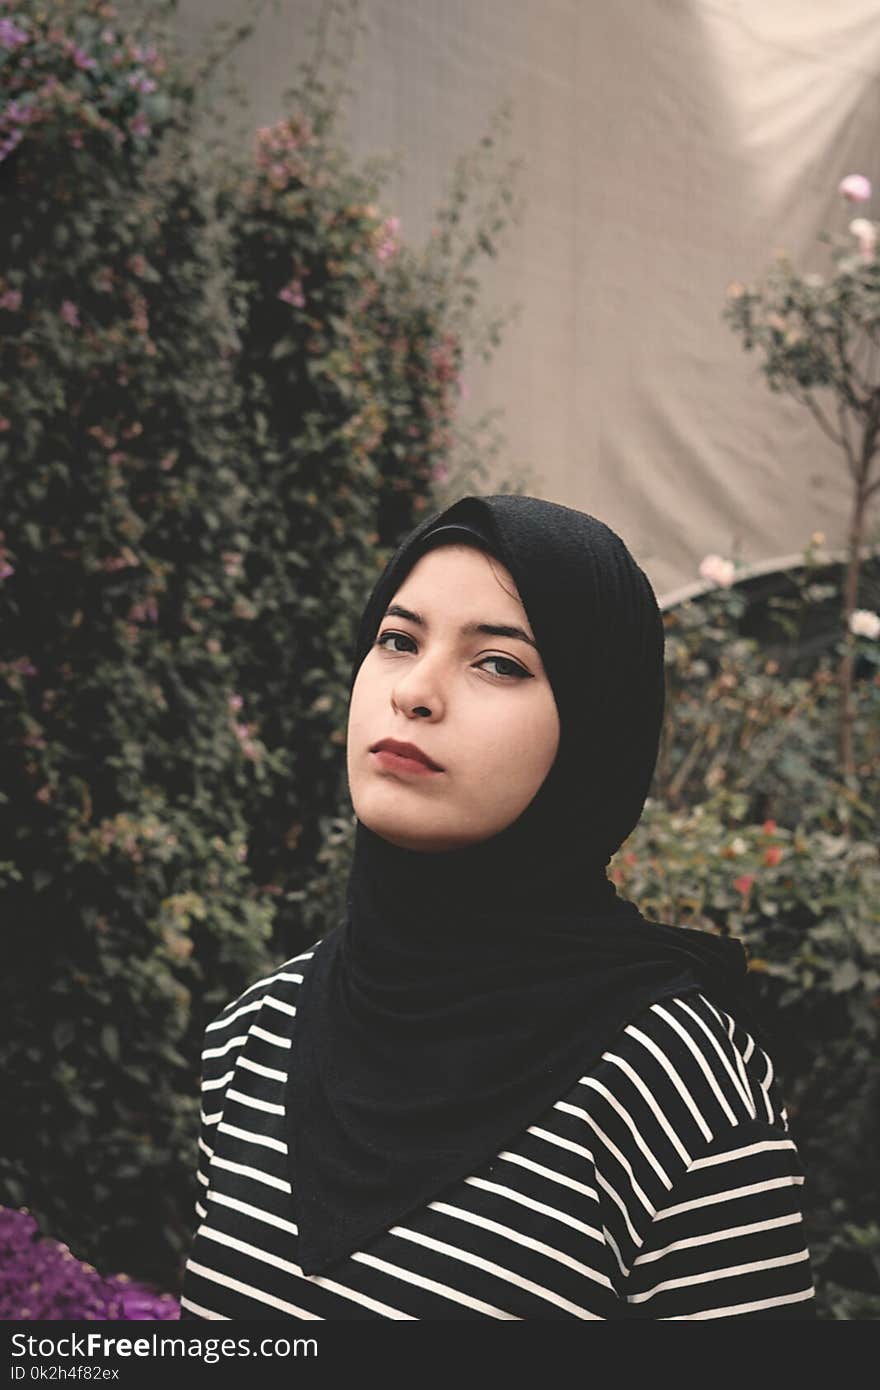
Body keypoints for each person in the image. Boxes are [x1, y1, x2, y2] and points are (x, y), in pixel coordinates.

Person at [180, 493, 816, 1320]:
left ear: (593, 729)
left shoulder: (673, 1092)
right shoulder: (256, 1033)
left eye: (500, 663)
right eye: (398, 640)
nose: (414, 691)